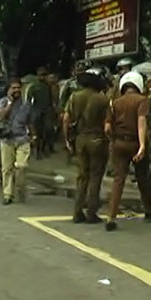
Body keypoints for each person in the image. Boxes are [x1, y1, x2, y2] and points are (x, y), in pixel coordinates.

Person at [104, 71, 151, 231]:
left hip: (118, 144)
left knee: (118, 180)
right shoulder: (142, 100)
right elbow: (141, 122)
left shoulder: (115, 103)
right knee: (143, 178)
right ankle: (149, 211)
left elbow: (107, 127)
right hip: (135, 143)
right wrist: (142, 145)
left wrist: (113, 140)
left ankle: (111, 217)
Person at [63, 67, 110, 223]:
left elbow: (66, 119)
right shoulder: (102, 99)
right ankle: (91, 212)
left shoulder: (74, 97)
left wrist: (67, 140)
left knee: (82, 176)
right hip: (97, 139)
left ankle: (77, 212)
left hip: (80, 140)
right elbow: (107, 124)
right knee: (96, 177)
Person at [0, 78, 34, 205]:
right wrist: (10, 103)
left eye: (18, 88)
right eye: (13, 88)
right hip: (7, 139)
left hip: (22, 139)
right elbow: (2, 116)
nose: (17, 90)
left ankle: (20, 189)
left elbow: (30, 121)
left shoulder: (26, 104)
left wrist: (34, 136)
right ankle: (8, 194)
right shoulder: (3, 102)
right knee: (7, 169)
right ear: (8, 90)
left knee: (22, 166)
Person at [27, 66, 54, 158]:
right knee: (37, 132)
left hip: (47, 110)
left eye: (44, 75)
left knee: (48, 129)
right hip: (36, 110)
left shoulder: (48, 86)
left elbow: (52, 99)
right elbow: (29, 100)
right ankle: (37, 151)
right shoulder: (33, 86)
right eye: (41, 75)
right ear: (37, 75)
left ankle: (44, 147)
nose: (43, 77)